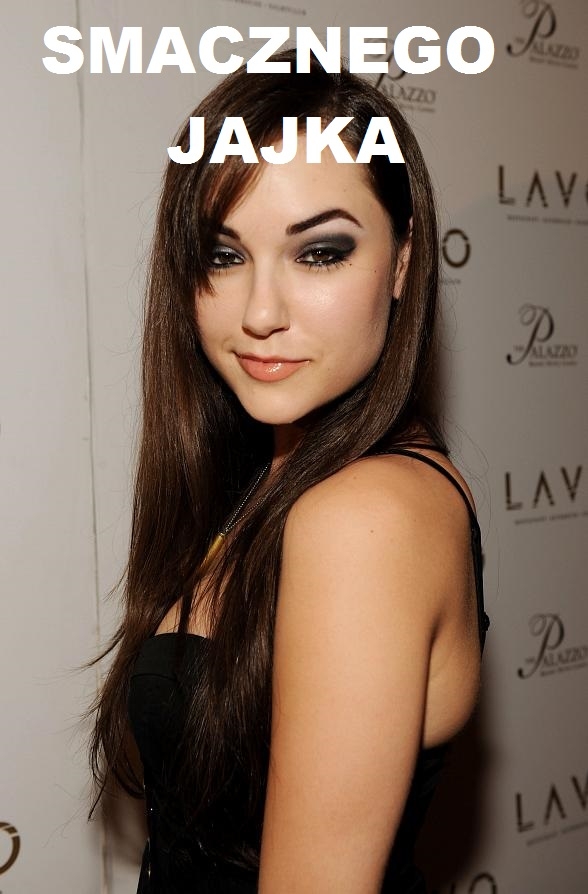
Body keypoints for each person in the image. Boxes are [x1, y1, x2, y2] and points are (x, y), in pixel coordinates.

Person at [89, 49, 489, 893]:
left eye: (320, 253)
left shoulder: (363, 516)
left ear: (404, 261)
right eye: (223, 256)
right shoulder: (271, 474)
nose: (260, 313)